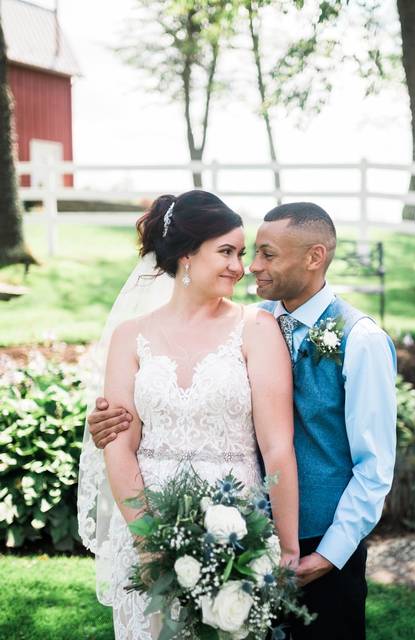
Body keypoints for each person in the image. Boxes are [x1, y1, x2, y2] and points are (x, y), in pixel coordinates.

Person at [87, 201, 398, 640]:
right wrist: (107, 426)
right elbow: (132, 427)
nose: (248, 267)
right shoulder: (264, 319)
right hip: (234, 526)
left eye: (264, 254)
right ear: (186, 256)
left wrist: (329, 553)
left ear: (314, 257)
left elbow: (375, 464)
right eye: (235, 253)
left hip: (318, 541)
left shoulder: (359, 339)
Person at [77, 190, 300, 639]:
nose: (240, 267)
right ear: (185, 255)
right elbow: (119, 443)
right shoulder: (130, 336)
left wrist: (287, 544)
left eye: (241, 253)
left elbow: (277, 446)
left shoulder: (257, 329)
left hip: (236, 523)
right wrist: (148, 540)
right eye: (226, 252)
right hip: (147, 520)